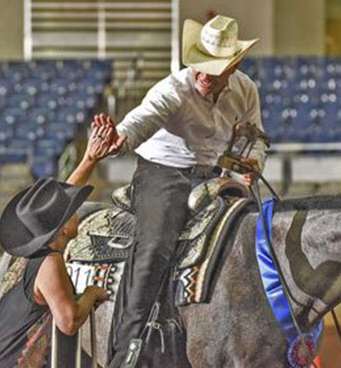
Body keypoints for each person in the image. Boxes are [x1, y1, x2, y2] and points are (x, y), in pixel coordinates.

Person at [93, 15, 268, 367]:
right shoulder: (172, 89)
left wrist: (253, 162)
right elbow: (143, 118)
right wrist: (119, 139)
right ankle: (129, 347)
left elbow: (256, 138)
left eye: (213, 69)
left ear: (232, 67)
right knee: (155, 245)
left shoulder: (246, 89)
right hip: (163, 172)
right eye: (200, 67)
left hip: (214, 174)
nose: (204, 75)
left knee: (255, 234)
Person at [0, 122, 118, 367]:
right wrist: (92, 294)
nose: (76, 213)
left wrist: (90, 159)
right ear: (61, 229)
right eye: (70, 212)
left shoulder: (30, 255)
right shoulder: (50, 261)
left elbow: (57, 205)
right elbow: (68, 322)